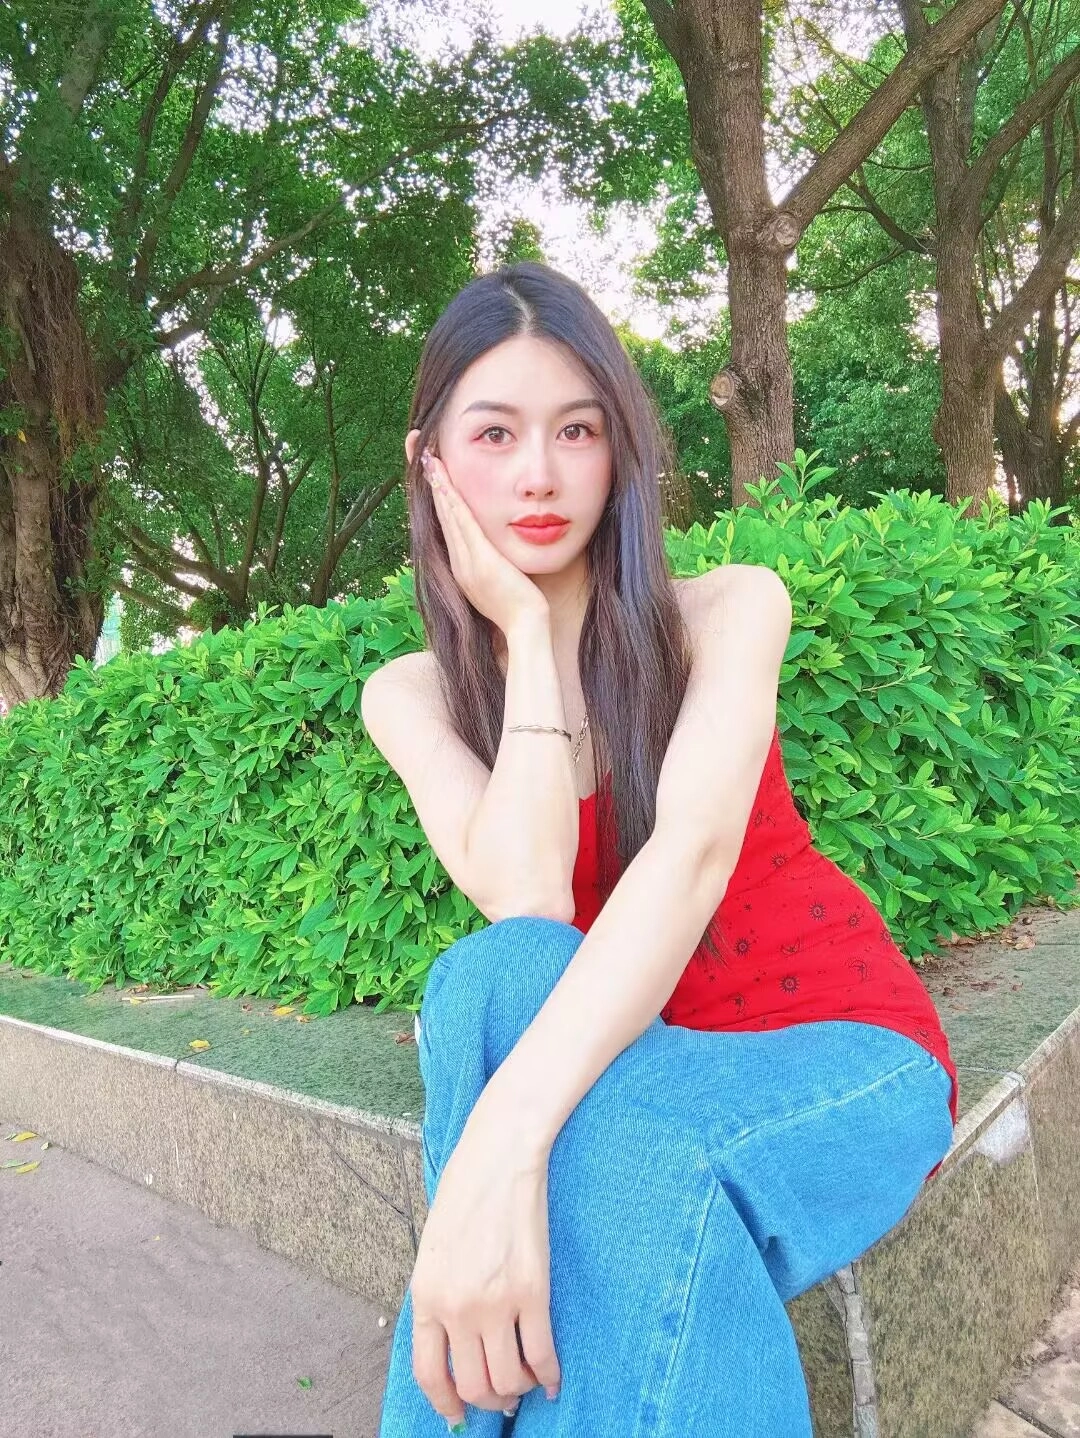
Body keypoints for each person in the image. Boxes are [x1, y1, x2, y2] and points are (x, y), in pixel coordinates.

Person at [362, 262, 958, 1436]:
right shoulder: (411, 693)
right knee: (497, 978)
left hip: (833, 1051)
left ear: (619, 448)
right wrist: (527, 635)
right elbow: (529, 900)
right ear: (430, 462)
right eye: (495, 434)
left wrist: (489, 1154)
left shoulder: (728, 609)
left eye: (577, 430)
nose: (540, 473)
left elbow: (686, 861)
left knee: (597, 1145)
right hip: (620, 1083)